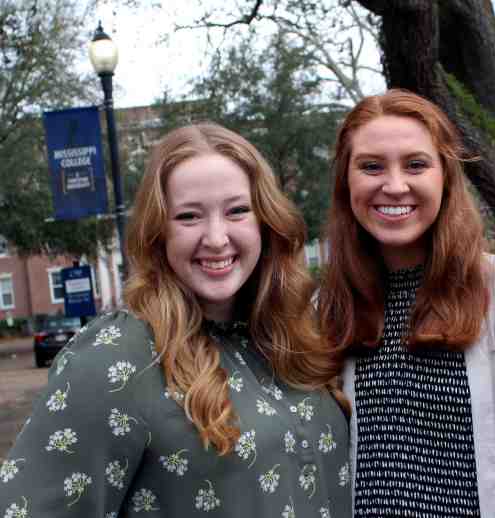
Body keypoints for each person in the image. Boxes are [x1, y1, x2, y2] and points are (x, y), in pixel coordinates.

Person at [0, 123, 351, 517]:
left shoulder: (293, 336)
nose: (216, 238)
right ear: (158, 232)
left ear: (266, 223)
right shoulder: (119, 355)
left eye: (236, 211)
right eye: (188, 216)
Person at [318, 90, 495, 517]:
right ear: (347, 182)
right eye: (371, 166)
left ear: (446, 177)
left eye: (416, 164)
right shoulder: (323, 309)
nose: (395, 185)